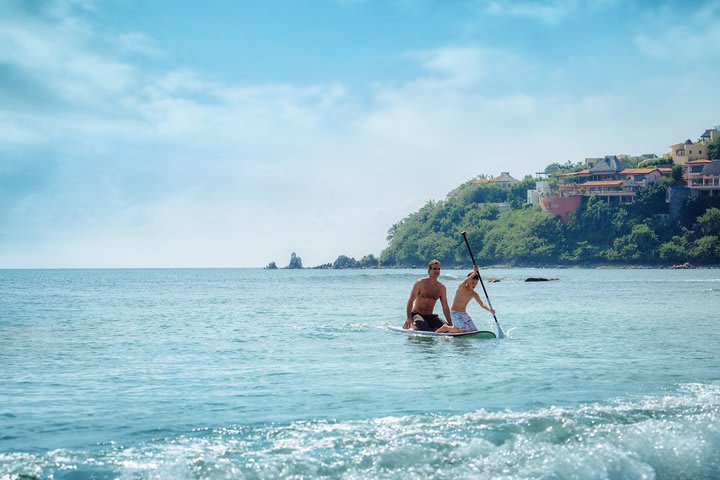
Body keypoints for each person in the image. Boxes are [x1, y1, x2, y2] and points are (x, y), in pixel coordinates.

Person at [435, 265, 495, 333]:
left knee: (473, 330)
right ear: (469, 281)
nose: (474, 285)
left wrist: (490, 310)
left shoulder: (473, 293)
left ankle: (452, 330)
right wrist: (474, 272)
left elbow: (482, 304)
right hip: (455, 313)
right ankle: (446, 328)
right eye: (473, 283)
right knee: (463, 330)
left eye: (476, 284)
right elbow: (465, 281)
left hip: (463, 313)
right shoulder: (462, 287)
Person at [403, 259, 452, 331]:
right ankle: (412, 324)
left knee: (446, 328)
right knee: (422, 324)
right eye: (434, 269)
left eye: (438, 269)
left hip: (430, 316)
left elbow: (445, 307)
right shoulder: (420, 283)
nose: (437, 271)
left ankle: (429, 326)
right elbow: (410, 301)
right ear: (429, 270)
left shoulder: (441, 288)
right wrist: (408, 318)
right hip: (417, 314)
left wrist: (450, 323)